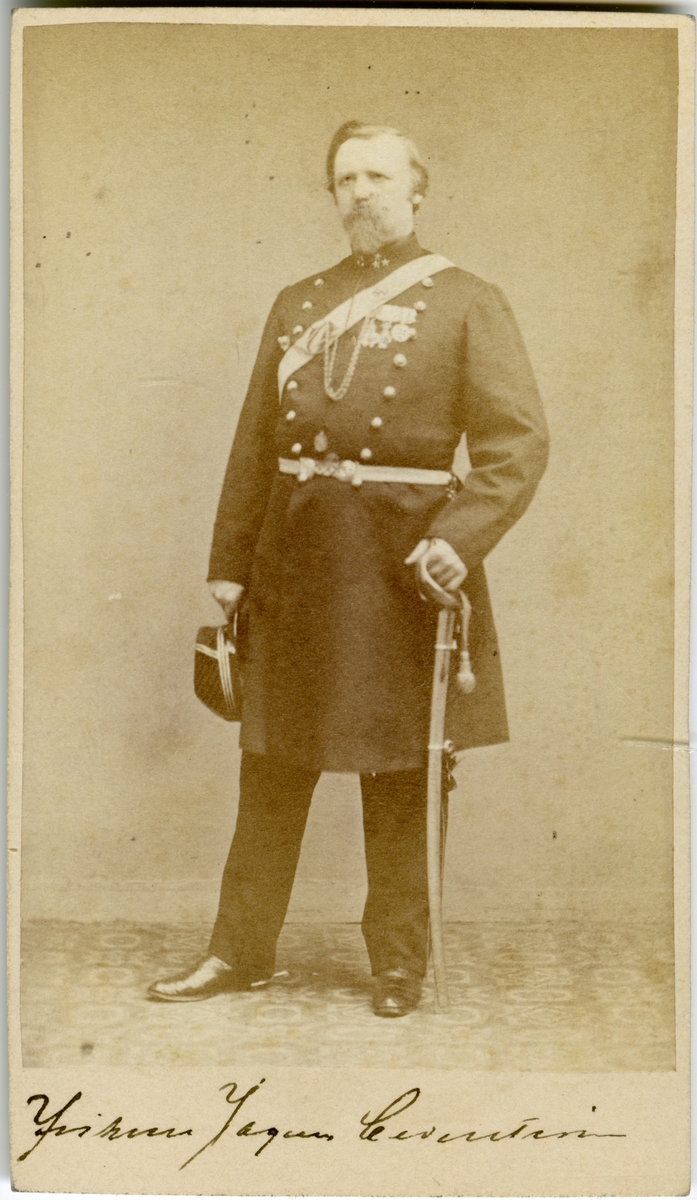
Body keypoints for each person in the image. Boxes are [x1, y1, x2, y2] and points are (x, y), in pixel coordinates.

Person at [148, 120, 549, 1017]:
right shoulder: (297, 303)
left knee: (401, 768)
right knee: (269, 763)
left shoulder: (466, 300)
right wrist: (229, 562)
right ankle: (237, 951)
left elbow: (517, 443)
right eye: (344, 180)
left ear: (417, 189)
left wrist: (459, 538)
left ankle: (398, 965)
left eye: (376, 176)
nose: (360, 193)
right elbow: (255, 440)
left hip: (402, 568)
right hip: (294, 560)